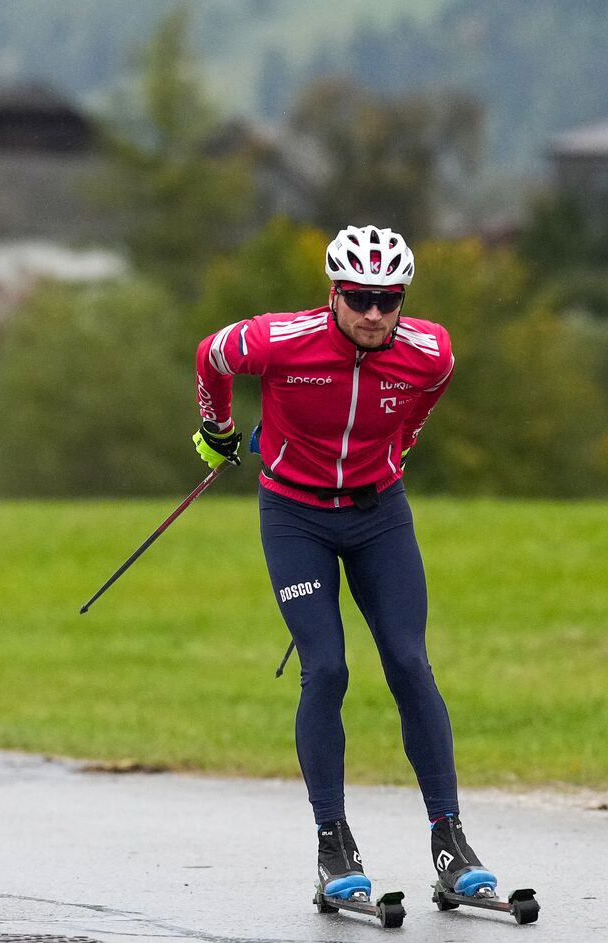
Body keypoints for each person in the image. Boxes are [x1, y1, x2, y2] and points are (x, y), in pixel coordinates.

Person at [191, 225, 497, 902]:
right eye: (359, 297)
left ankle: (450, 839)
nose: (373, 313)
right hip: (295, 514)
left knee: (410, 662)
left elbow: (415, 414)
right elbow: (210, 355)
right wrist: (217, 430)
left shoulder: (433, 352)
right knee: (326, 667)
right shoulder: (277, 340)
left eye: (388, 299)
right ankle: (334, 844)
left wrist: (395, 450)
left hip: (378, 513)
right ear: (334, 292)